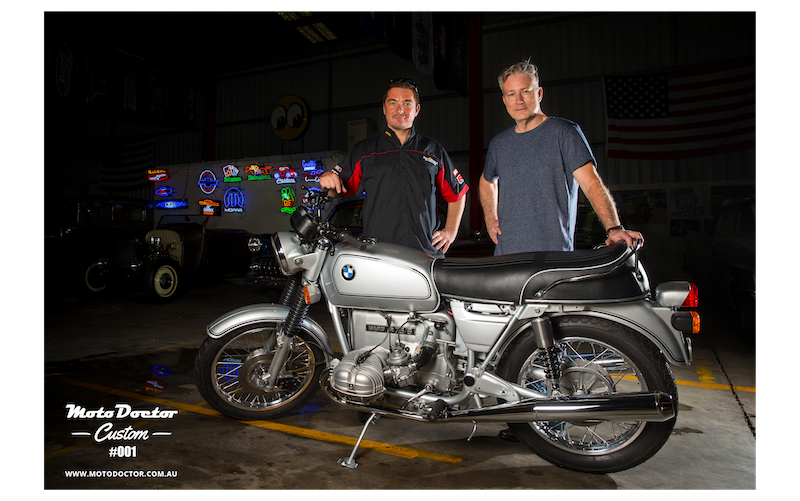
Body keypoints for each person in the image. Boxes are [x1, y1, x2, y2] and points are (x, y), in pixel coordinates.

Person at [480, 60, 642, 255]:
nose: (519, 100)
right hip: (507, 258)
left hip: (553, 256)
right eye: (511, 94)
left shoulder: (564, 133)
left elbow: (591, 183)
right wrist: (490, 218)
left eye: (525, 91)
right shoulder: (499, 144)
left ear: (539, 93)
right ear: (504, 100)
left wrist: (613, 228)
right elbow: (486, 181)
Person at [319, 78, 468, 258]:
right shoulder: (364, 151)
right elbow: (336, 190)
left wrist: (450, 231)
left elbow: (458, 193)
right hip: (379, 255)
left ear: (417, 109)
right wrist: (327, 178)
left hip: (425, 255)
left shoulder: (433, 150)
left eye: (407, 103)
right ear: (384, 108)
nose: (400, 110)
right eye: (393, 103)